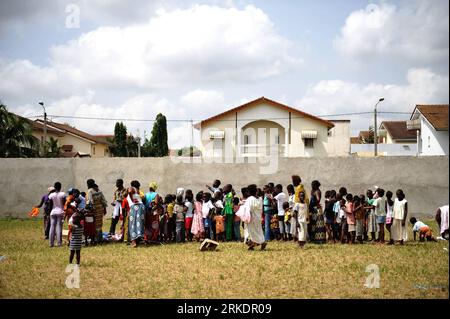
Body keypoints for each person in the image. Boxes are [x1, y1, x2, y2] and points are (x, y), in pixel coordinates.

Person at [244, 184, 266, 250]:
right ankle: (259, 243)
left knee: (252, 232)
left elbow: (248, 209)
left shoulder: (250, 199)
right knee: (259, 231)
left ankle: (259, 243)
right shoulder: (260, 199)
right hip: (258, 217)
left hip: (252, 217)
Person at [86, 179, 107, 244]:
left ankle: (96, 239)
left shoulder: (90, 191)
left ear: (88, 184)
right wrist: (104, 209)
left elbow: (90, 201)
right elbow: (103, 200)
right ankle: (100, 239)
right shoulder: (99, 190)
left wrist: (89, 209)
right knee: (99, 224)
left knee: (94, 224)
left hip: (94, 210)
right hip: (100, 209)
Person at [48, 182, 66, 247]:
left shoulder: (51, 195)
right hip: (60, 212)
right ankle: (59, 243)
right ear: (60, 187)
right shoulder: (63, 194)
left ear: (54, 187)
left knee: (52, 227)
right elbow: (64, 204)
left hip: (53, 212)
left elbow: (50, 205)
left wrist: (49, 212)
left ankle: (51, 243)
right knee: (59, 227)